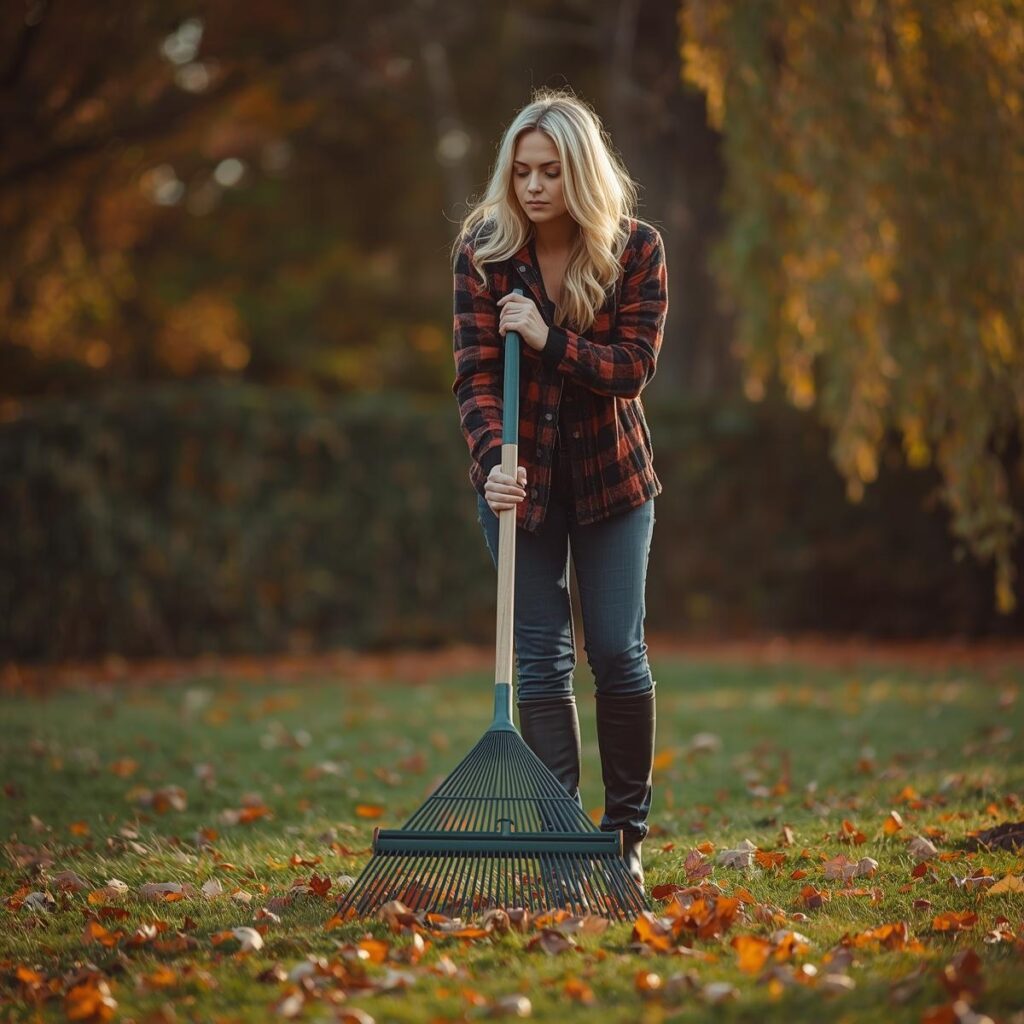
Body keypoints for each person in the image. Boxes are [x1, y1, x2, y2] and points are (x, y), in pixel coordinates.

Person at [450, 88, 668, 889]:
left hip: (614, 484)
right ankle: (562, 844)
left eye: (549, 172)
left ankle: (624, 838)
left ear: (579, 174)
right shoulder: (484, 251)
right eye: (522, 171)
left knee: (616, 651)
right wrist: (489, 461)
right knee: (540, 662)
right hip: (521, 487)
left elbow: (634, 368)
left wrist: (551, 340)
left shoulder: (635, 249)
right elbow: (475, 376)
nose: (534, 187)